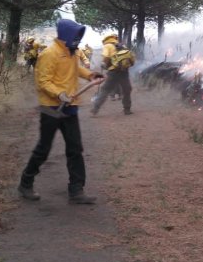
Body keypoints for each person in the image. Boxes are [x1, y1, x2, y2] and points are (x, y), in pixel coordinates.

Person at [18, 19, 104, 204]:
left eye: (79, 36)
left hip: (70, 109)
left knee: (75, 149)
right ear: (66, 36)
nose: (77, 40)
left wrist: (90, 75)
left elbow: (75, 69)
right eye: (75, 36)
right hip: (51, 108)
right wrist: (60, 94)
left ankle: (76, 191)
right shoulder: (49, 54)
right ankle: (25, 183)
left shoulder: (71, 53)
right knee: (43, 149)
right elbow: (43, 81)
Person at [91, 33, 134, 116]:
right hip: (124, 71)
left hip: (113, 72)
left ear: (106, 40)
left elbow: (106, 57)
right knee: (126, 89)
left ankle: (95, 109)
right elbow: (130, 58)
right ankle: (127, 109)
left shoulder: (107, 46)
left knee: (105, 89)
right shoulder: (122, 46)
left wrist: (104, 64)